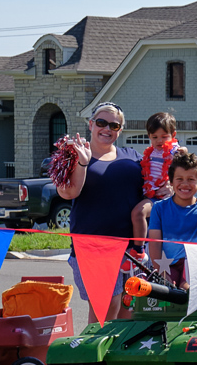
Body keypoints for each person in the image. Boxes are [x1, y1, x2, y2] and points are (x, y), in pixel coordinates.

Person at [54, 101, 144, 336]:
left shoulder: (132, 157)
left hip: (129, 247)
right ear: (91, 124)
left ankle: (116, 364)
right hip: (92, 246)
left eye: (114, 125)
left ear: (120, 130)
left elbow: (149, 191)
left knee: (128, 307)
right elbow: (68, 192)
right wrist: (83, 162)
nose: (107, 129)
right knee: (106, 307)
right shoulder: (73, 155)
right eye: (101, 123)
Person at [145, 150, 197, 290]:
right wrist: (161, 271)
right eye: (179, 179)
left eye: (191, 179)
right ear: (171, 181)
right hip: (167, 262)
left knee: (186, 288)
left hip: (192, 262)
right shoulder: (159, 208)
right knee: (167, 289)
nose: (185, 184)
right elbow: (154, 244)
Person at [133, 111, 179, 242]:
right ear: (149, 136)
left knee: (138, 213)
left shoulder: (172, 151)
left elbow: (183, 156)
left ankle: (138, 249)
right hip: (150, 194)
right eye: (154, 137)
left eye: (164, 136)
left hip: (164, 197)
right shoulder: (150, 153)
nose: (159, 140)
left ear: (173, 135)